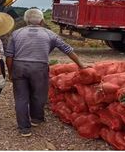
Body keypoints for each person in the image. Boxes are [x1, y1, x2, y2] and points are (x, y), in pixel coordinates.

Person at [5, 8, 88, 137]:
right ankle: (36, 119)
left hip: (19, 67)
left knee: (21, 98)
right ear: (42, 21)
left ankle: (24, 128)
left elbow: (9, 56)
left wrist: (10, 72)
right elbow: (67, 49)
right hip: (39, 68)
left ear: (26, 21)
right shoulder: (50, 34)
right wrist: (81, 66)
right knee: (39, 94)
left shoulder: (16, 34)